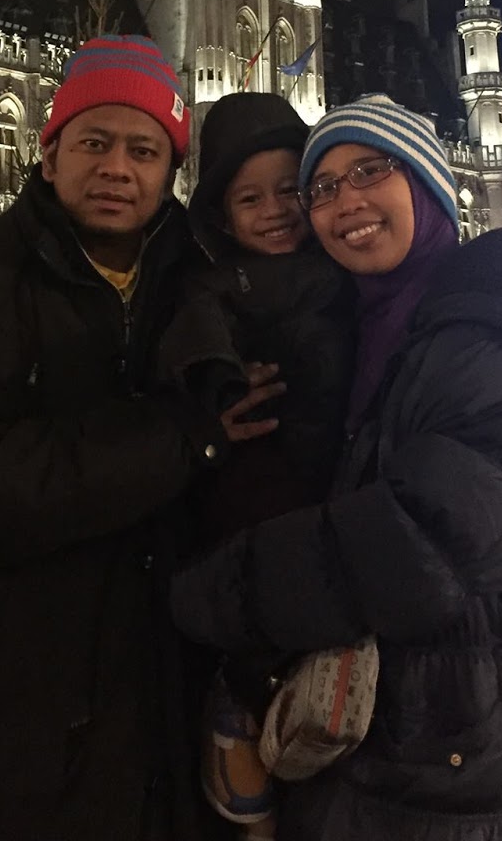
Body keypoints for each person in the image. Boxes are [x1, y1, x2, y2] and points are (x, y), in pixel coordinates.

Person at [0, 36, 281, 841]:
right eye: (94, 143)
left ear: (172, 172)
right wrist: (181, 440)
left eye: (143, 151)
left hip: (169, 727)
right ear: (49, 150)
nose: (116, 169)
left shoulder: (208, 289)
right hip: (7, 736)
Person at [172, 94, 502, 841]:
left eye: (371, 170)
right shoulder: (361, 323)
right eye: (324, 188)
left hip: (471, 760)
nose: (346, 201)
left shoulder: (489, 337)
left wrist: (218, 595)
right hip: (382, 749)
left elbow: (421, 542)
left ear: (428, 185)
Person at [160, 92, 354, 840]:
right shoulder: (212, 291)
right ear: (221, 214)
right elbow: (191, 347)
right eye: (250, 198)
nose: (274, 210)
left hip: (333, 529)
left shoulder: (351, 275)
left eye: (287, 190)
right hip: (253, 526)